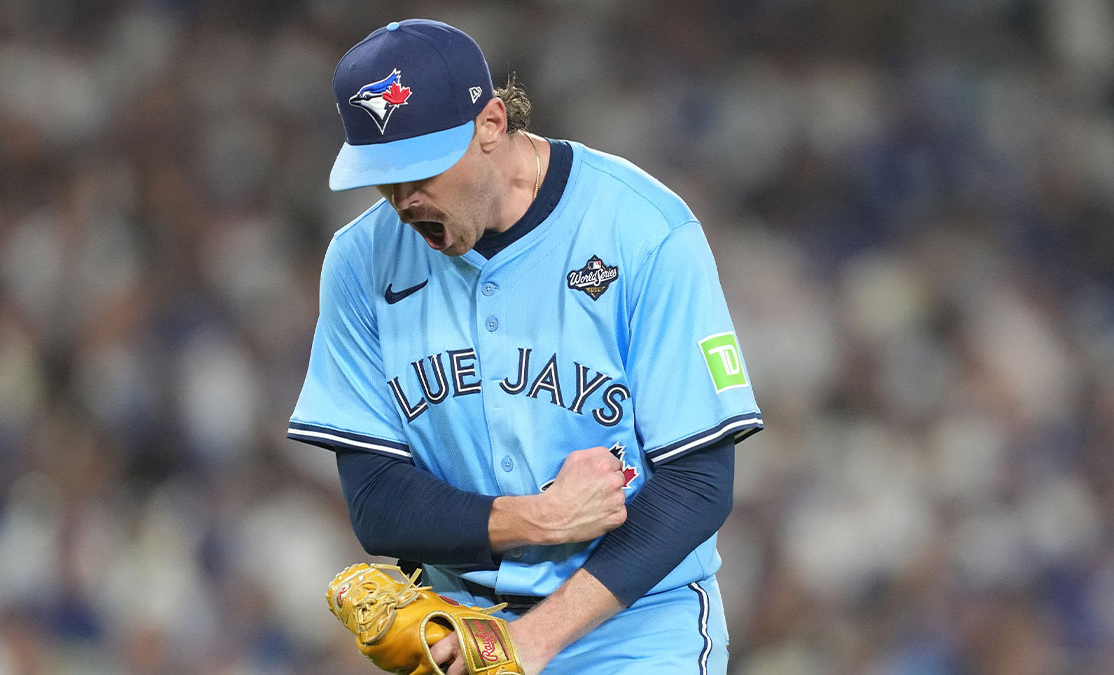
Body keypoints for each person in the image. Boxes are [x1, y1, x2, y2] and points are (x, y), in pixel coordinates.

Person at [289, 19, 763, 675]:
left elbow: (698, 482)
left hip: (632, 628)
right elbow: (376, 499)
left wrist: (534, 638)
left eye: (420, 168)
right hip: (459, 626)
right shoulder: (360, 261)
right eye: (382, 177)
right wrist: (537, 519)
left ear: (490, 124)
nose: (403, 200)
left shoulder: (644, 231)